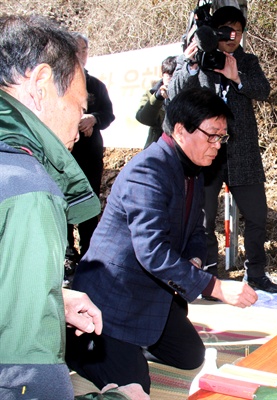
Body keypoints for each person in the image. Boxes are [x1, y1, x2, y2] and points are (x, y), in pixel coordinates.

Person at [66, 87, 259, 394]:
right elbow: (153, 252)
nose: (217, 145)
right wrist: (216, 287)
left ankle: (132, 344)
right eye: (211, 135)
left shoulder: (192, 170)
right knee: (135, 385)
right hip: (109, 300)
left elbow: (196, 228)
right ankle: (79, 345)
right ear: (181, 129)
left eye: (221, 137)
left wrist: (193, 260)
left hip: (152, 292)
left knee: (190, 355)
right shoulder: (148, 170)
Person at [0, 14, 147, 400]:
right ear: (43, 83)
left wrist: (46, 295)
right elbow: (23, 376)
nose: (78, 123)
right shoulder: (29, 190)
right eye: (78, 104)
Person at [169, 6, 277, 293]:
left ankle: (256, 272)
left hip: (243, 151)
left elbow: (263, 90)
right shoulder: (200, 59)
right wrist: (191, 61)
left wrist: (237, 77)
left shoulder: (248, 61)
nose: (232, 37)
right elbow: (175, 92)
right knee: (203, 216)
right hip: (206, 151)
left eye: (238, 31)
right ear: (214, 32)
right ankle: (209, 272)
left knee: (256, 216)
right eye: (225, 31)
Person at [67, 33, 115, 262]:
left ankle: (88, 253)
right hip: (63, 157)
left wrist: (93, 118)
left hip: (90, 156)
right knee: (62, 203)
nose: (81, 54)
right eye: (76, 50)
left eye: (84, 50)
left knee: (89, 202)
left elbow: (108, 115)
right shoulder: (58, 82)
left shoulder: (95, 84)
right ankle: (67, 254)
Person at [135, 55, 177, 149]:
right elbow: (142, 118)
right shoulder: (152, 94)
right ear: (162, 75)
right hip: (159, 147)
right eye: (169, 75)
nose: (173, 79)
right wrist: (158, 97)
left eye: (176, 75)